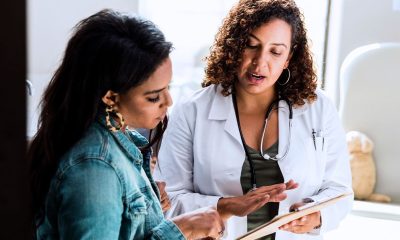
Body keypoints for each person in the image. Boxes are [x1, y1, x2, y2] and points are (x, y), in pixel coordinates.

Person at [153, 0, 353, 239]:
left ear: (289, 57)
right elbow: (166, 200)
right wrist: (226, 205)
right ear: (235, 46)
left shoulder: (318, 108)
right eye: (250, 45)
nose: (260, 62)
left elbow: (340, 190)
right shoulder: (192, 110)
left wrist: (315, 215)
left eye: (276, 51)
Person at [28, 9, 225, 240]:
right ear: (110, 97)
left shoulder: (118, 141)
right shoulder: (95, 167)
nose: (168, 102)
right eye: (153, 97)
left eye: (168, 88)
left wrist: (151, 210)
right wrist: (181, 230)